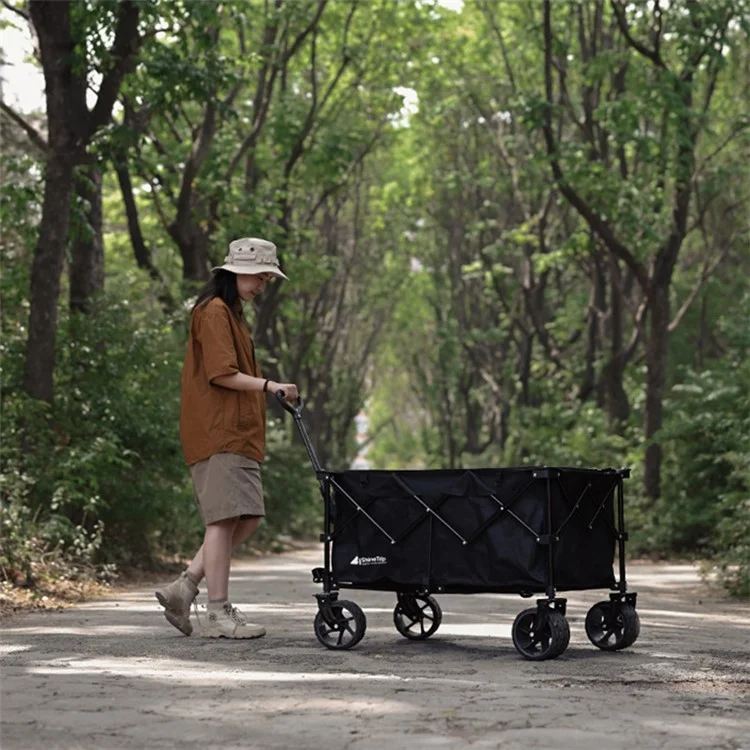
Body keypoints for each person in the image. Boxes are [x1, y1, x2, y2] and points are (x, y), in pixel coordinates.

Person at [155, 237, 298, 639]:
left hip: (237, 434)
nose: (263, 285)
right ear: (236, 271)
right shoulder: (214, 311)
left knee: (246, 518)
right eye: (260, 276)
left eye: (268, 278)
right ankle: (217, 612)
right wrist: (270, 385)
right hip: (218, 431)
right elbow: (221, 374)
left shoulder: (233, 315)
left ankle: (184, 587)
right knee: (222, 520)